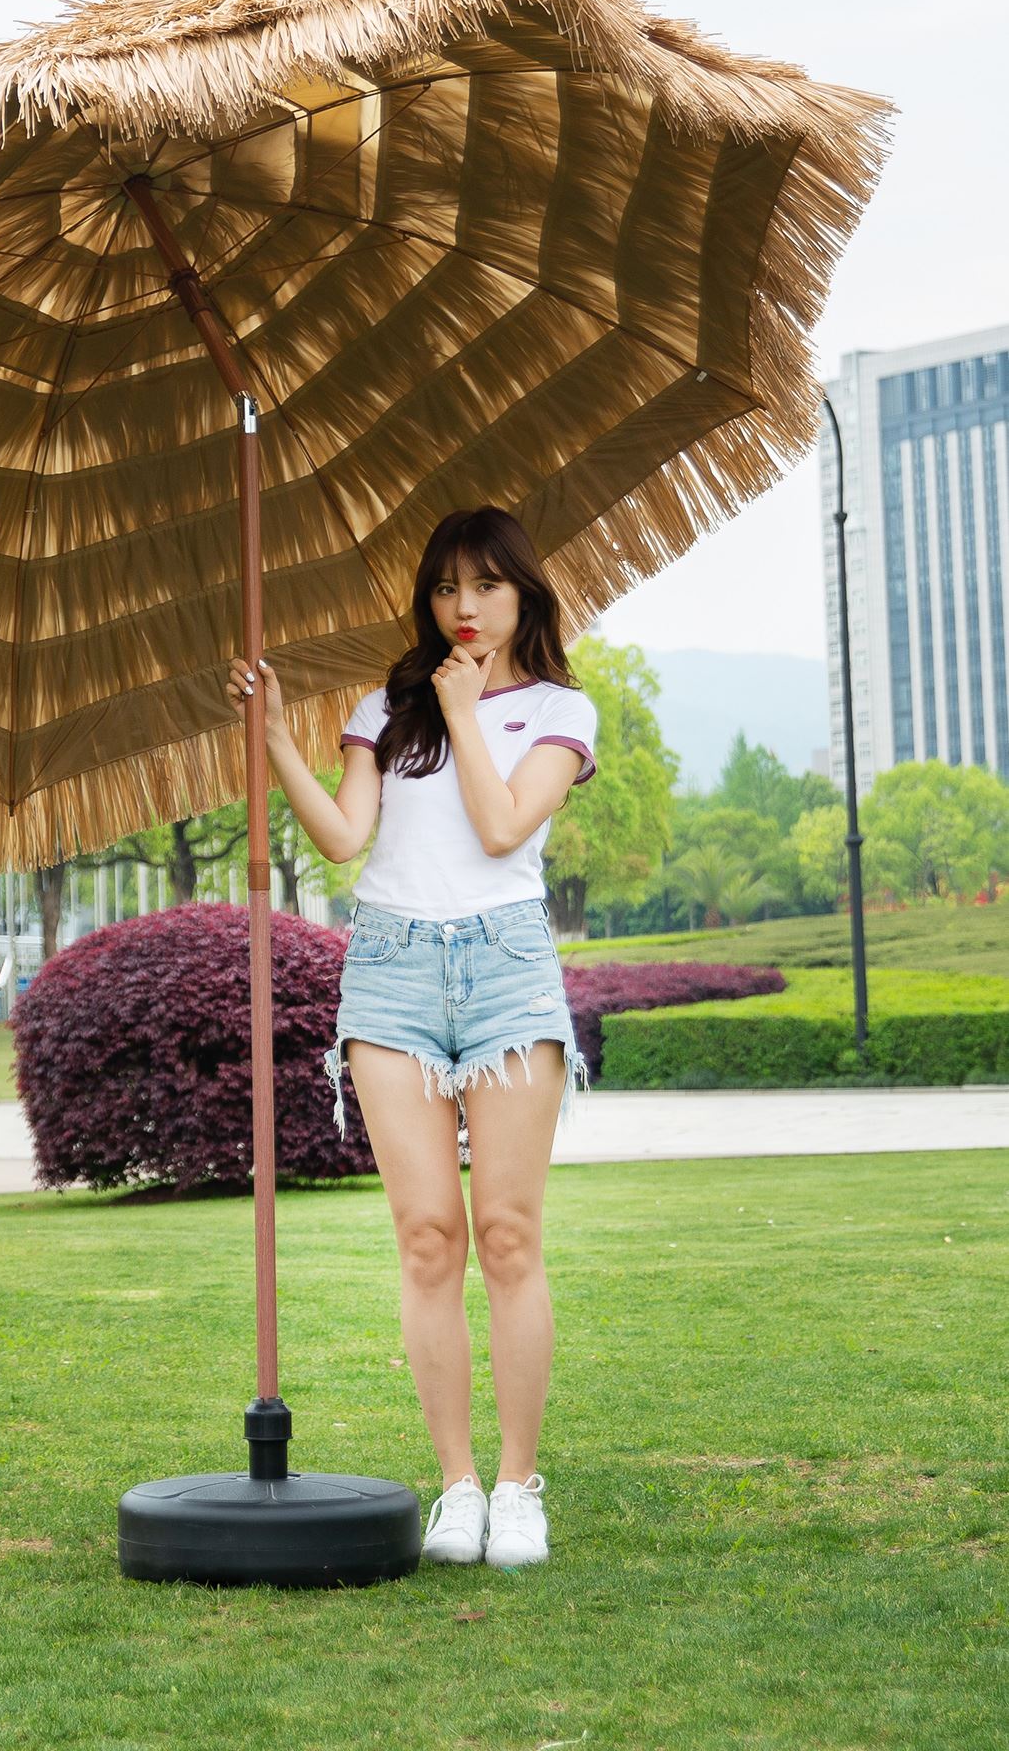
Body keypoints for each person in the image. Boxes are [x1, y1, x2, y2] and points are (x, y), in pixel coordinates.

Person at [225, 505, 597, 1574]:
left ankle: (520, 1484)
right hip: (388, 968)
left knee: (508, 1235)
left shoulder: (562, 711)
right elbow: (346, 838)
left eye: (484, 585)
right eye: (444, 588)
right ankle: (460, 1483)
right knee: (429, 1234)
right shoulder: (384, 705)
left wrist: (468, 711)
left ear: (523, 592)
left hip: (507, 968)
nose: (462, 607)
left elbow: (498, 826)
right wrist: (278, 740)